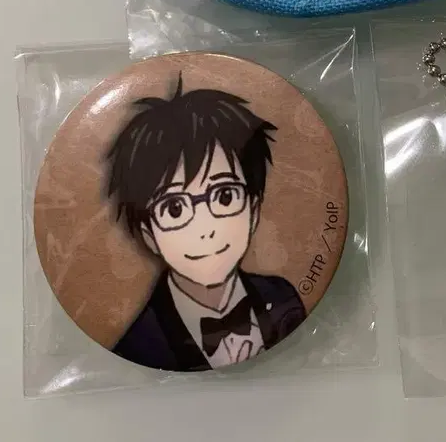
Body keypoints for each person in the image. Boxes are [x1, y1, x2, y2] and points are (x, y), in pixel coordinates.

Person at [105, 78, 305, 371]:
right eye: (174, 208)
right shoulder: (138, 349)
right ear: (149, 234)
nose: (205, 229)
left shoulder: (284, 297)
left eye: (225, 196)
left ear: (253, 209)